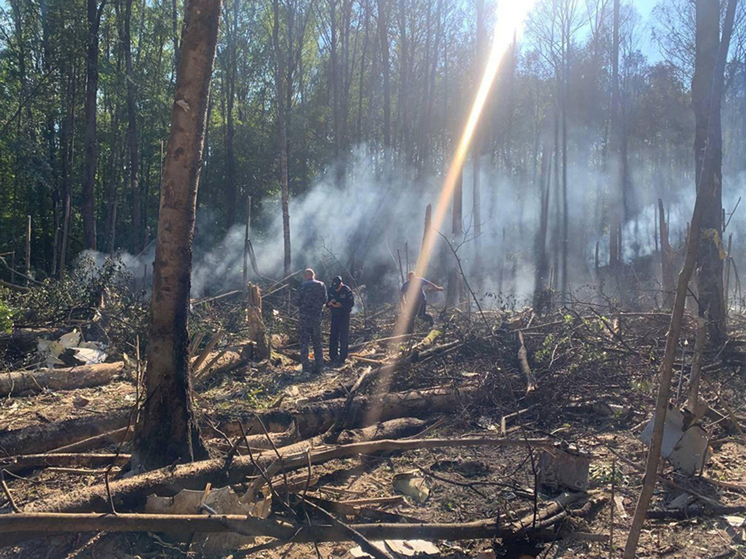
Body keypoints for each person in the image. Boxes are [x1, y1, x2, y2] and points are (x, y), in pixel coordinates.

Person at [294, 268, 327, 373]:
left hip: (305, 318)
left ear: (305, 276)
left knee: (304, 342)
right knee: (317, 341)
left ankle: (306, 367)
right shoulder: (321, 285)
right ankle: (319, 366)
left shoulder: (302, 286)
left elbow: (296, 302)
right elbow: (325, 300)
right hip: (316, 317)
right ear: (314, 275)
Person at [327, 276, 354, 365]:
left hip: (344, 316)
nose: (336, 289)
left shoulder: (347, 290)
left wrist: (341, 305)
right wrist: (330, 303)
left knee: (343, 336)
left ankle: (342, 357)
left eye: (337, 287)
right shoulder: (331, 289)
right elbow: (326, 302)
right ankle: (333, 356)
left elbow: (351, 303)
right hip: (334, 315)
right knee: (333, 335)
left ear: (341, 283)